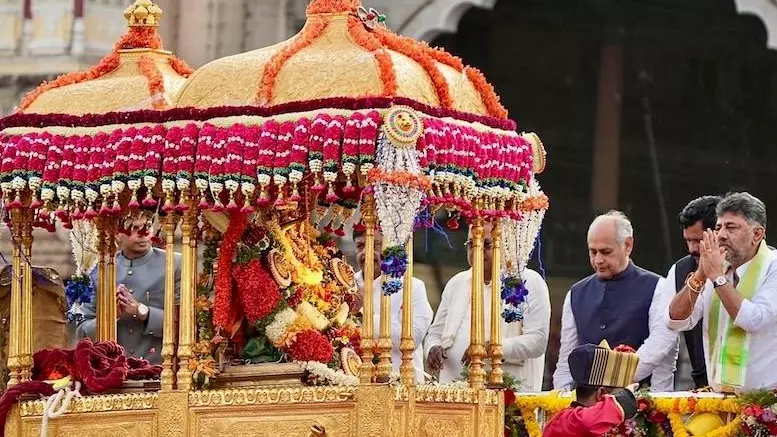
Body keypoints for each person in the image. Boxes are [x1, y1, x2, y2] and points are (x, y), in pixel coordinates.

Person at [553, 211, 678, 392]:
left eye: (606, 252)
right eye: (592, 251)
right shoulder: (576, 293)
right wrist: (560, 402)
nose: (598, 260)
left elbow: (660, 350)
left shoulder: (658, 287)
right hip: (585, 409)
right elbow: (566, 359)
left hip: (639, 404)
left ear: (628, 245)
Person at [667, 192, 777, 392]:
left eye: (731, 227)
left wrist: (718, 278)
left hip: (767, 405)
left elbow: (754, 319)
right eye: (718, 227)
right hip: (719, 398)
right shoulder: (716, 267)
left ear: (757, 234)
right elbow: (676, 319)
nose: (722, 235)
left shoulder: (773, 266)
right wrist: (700, 274)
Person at [424, 222, 551, 390]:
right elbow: (435, 333)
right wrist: (432, 348)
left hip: (507, 393)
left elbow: (537, 341)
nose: (477, 250)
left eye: (486, 244)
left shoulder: (529, 281)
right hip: (454, 393)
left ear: (504, 245)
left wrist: (491, 347)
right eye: (471, 244)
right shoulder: (457, 283)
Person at [76, 215, 181, 364]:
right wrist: (110, 316)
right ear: (117, 233)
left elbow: (186, 324)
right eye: (134, 228)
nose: (143, 234)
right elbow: (81, 331)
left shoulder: (174, 264)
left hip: (161, 369)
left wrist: (142, 311)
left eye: (148, 226)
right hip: (110, 371)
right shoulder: (98, 270)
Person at [353, 229, 433, 383]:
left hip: (401, 382)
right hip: (355, 380)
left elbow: (411, 339)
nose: (367, 252)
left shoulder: (411, 287)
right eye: (360, 246)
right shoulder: (346, 283)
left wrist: (362, 312)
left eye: (376, 245)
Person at [664, 196, 721, 388]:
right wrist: (699, 276)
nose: (692, 249)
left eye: (698, 240)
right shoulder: (680, 270)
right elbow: (673, 323)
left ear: (718, 232)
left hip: (756, 389)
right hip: (703, 385)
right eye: (688, 240)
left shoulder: (760, 265)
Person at [543, 341, 639, 437]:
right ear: (601, 393)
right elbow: (585, 422)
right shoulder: (564, 422)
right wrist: (623, 400)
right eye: (616, 395)